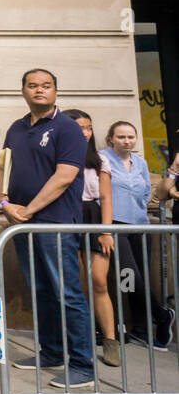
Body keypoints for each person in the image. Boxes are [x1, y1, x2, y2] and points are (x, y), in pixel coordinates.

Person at [0, 69, 93, 389]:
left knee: (67, 292)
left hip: (55, 223)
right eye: (33, 85)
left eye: (47, 86)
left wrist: (29, 209)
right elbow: (4, 165)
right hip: (23, 224)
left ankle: (82, 364)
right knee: (40, 290)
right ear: (22, 90)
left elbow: (65, 176)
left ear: (55, 91)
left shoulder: (67, 129)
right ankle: (51, 352)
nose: (40, 90)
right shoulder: (16, 128)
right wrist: (5, 201)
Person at [101, 121, 175, 348]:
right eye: (121, 137)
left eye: (131, 137)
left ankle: (142, 329)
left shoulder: (140, 162)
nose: (127, 141)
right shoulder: (103, 159)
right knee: (128, 276)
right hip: (115, 225)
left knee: (138, 277)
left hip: (140, 225)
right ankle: (162, 314)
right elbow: (101, 194)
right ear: (111, 138)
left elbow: (145, 193)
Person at [64, 110, 118, 365]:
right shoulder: (60, 156)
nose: (85, 133)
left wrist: (106, 231)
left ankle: (110, 339)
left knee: (98, 280)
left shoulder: (99, 160)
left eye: (88, 128)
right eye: (79, 128)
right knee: (72, 282)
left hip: (92, 215)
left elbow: (106, 198)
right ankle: (79, 339)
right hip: (66, 215)